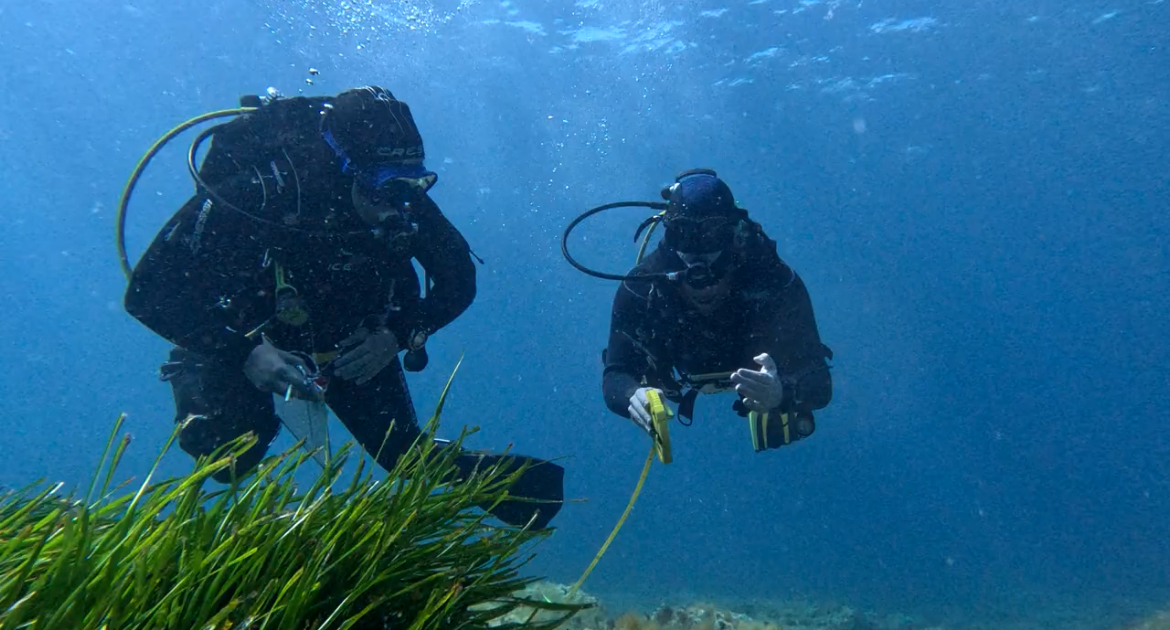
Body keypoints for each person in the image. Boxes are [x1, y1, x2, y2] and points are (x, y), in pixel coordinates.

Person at [123, 86, 563, 529]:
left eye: (414, 184)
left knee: (404, 456)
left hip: (349, 341)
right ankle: (194, 366)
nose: (398, 206)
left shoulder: (404, 199)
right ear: (346, 169)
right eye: (384, 187)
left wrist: (397, 335)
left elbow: (458, 281)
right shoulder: (262, 191)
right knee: (228, 457)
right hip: (249, 331)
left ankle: (534, 496)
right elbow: (147, 293)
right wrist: (245, 352)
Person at [600, 169, 833, 451]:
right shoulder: (643, 286)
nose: (705, 289)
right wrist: (632, 396)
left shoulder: (771, 281)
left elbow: (819, 381)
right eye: (691, 283)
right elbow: (616, 373)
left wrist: (781, 393)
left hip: (764, 373)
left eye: (716, 280)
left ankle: (769, 399)